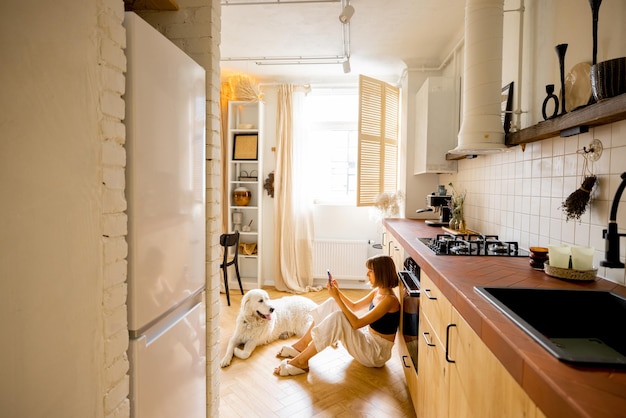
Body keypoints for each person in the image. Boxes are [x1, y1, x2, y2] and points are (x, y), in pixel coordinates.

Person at [273, 254, 400, 376]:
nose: (367, 274)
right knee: (333, 303)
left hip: (375, 354)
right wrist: (337, 293)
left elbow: (357, 323)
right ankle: (302, 344)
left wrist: (337, 297)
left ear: (382, 273)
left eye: (371, 271)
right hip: (368, 338)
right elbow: (354, 307)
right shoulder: (377, 292)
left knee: (339, 317)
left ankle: (302, 361)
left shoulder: (390, 300)